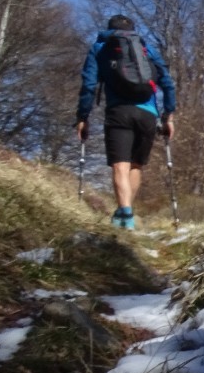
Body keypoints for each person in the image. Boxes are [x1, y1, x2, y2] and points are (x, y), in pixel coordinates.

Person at [75, 15, 177, 230]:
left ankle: (125, 215)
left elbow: (89, 85)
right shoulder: (146, 48)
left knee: (120, 164)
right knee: (136, 165)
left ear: (109, 30)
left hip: (118, 112)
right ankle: (127, 213)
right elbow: (167, 82)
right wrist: (169, 115)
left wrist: (83, 117)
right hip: (148, 114)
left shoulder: (100, 48)